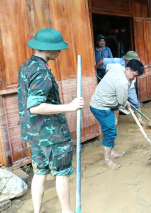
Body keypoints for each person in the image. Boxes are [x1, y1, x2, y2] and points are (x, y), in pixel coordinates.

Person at [18, 28, 84, 213]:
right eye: (58, 48)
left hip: (35, 133)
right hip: (52, 135)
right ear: (48, 49)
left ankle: (37, 211)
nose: (60, 52)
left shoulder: (27, 66)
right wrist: (69, 107)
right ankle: (67, 211)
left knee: (39, 172)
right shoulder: (42, 73)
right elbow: (35, 107)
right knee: (62, 174)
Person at [90, 59, 145, 170]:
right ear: (127, 69)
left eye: (136, 77)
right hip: (102, 107)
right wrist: (126, 103)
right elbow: (121, 101)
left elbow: (107, 66)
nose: (134, 79)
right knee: (110, 132)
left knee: (111, 129)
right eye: (133, 76)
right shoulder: (122, 82)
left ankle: (112, 153)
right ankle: (107, 161)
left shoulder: (117, 66)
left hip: (105, 103)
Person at [95, 51, 144, 126]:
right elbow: (102, 61)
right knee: (117, 104)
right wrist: (94, 71)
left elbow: (131, 81)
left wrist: (125, 93)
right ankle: (115, 120)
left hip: (129, 87)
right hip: (117, 87)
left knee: (135, 102)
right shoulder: (117, 62)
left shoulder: (135, 68)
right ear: (127, 60)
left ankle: (139, 119)